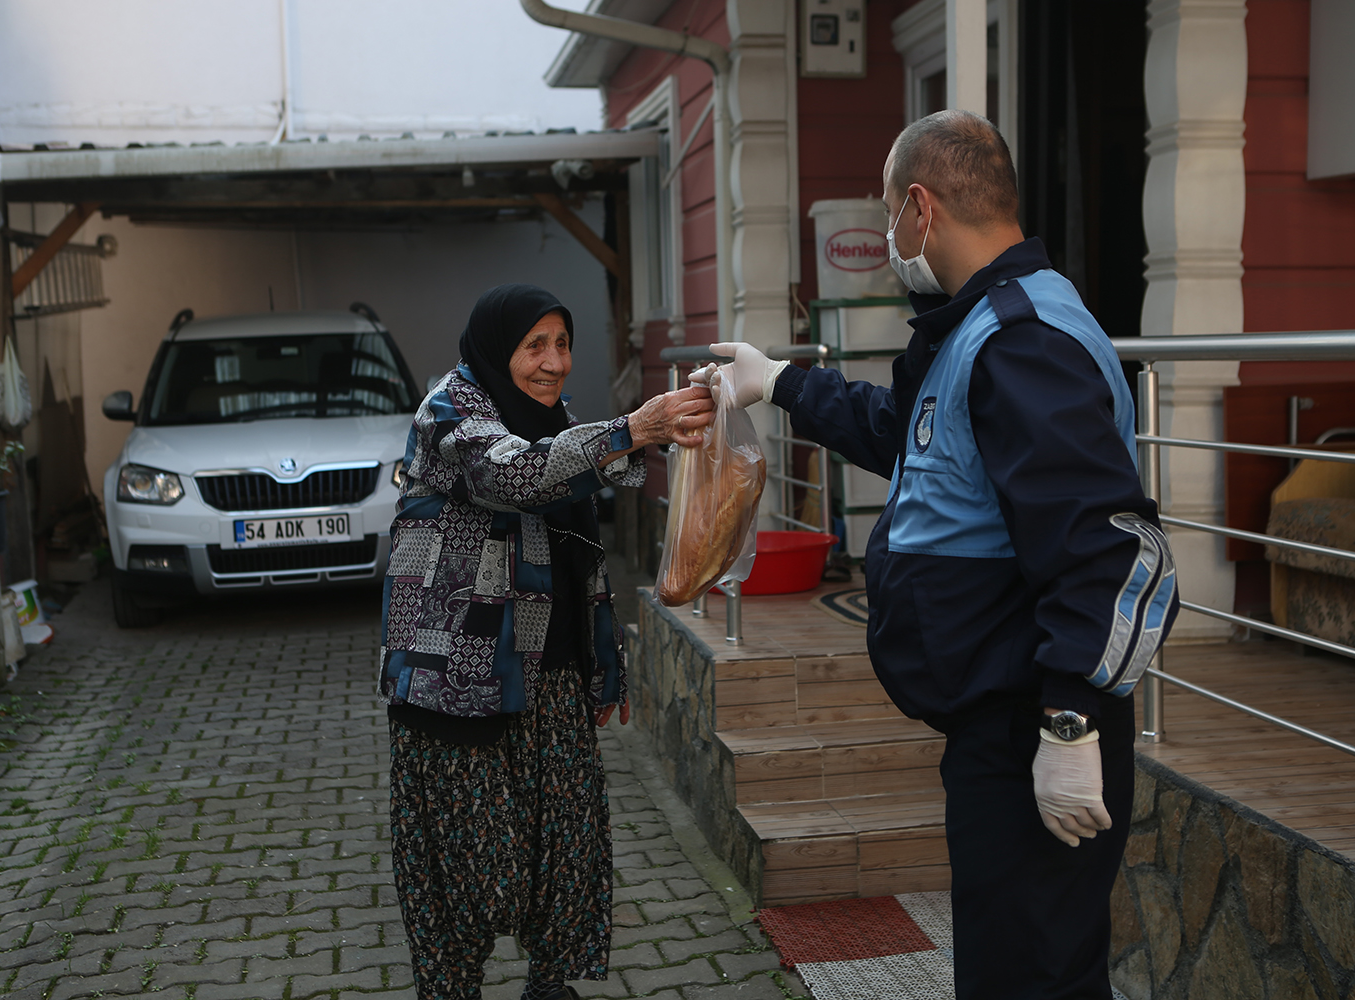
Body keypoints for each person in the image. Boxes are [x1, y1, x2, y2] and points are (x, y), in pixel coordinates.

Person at [698, 110, 1180, 999]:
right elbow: (910, 438)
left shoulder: (1023, 339)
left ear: (921, 208)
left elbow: (1109, 551)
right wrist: (782, 384)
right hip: (998, 720)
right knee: (1013, 962)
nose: (887, 239)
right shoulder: (972, 330)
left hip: (1035, 717)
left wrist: (1069, 723)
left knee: (1030, 974)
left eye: (889, 217)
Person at [380, 283, 713, 1000]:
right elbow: (515, 473)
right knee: (464, 866)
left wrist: (604, 665)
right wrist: (632, 427)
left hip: (550, 672)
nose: (554, 362)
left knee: (567, 846)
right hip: (452, 678)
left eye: (562, 344)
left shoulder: (552, 420)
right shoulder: (450, 409)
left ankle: (548, 985)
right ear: (499, 347)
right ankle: (451, 989)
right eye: (535, 345)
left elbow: (577, 547)